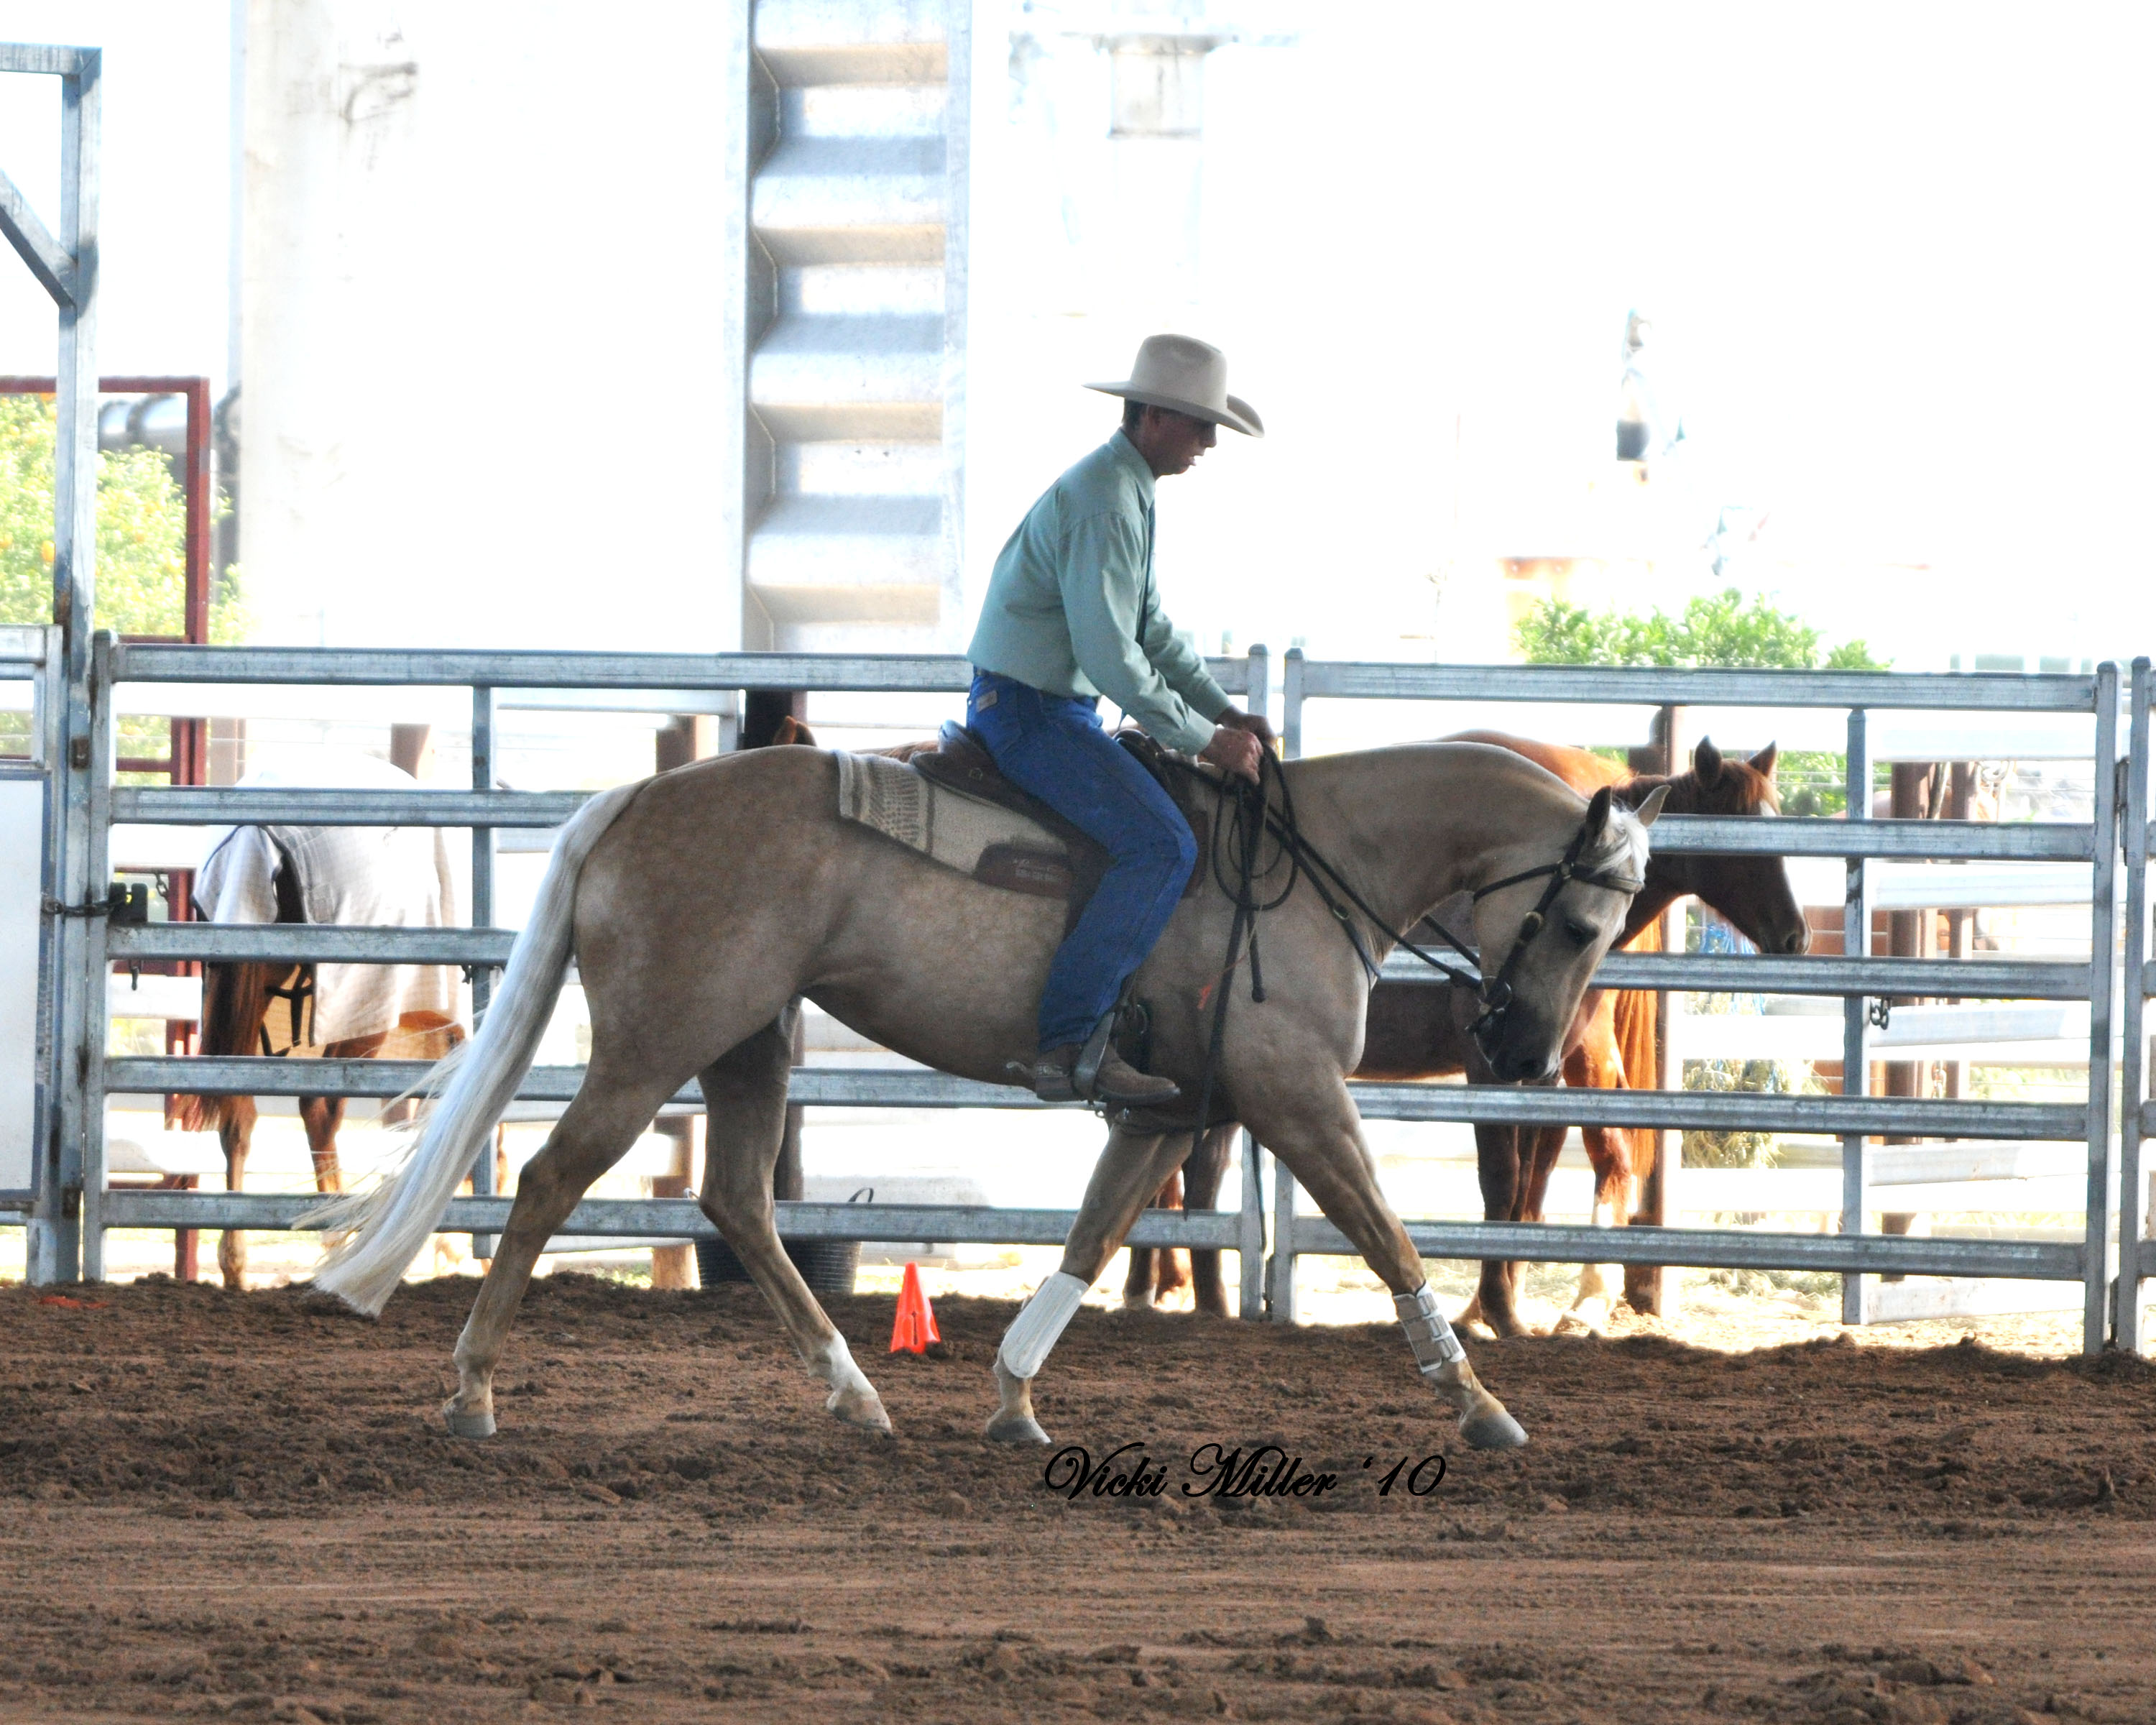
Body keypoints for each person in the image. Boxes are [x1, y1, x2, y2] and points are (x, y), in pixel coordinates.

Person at [966, 333, 1275, 1108]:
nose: (1209, 443)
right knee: (1162, 846)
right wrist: (1206, 740)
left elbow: (1150, 629)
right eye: (1201, 424)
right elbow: (1111, 655)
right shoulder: (1108, 501)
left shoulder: (1123, 487)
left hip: (1042, 705)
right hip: (1034, 714)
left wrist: (1220, 710)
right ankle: (1068, 1042)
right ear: (1154, 418)